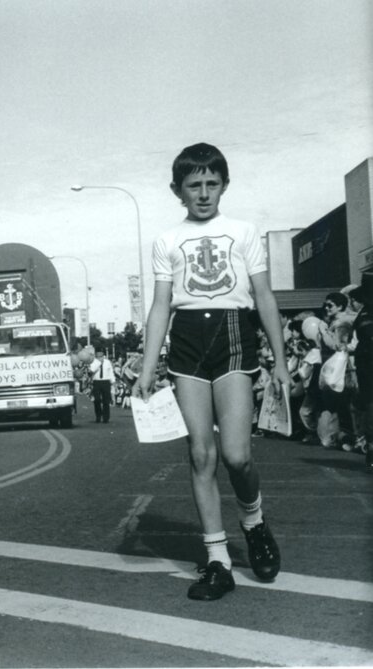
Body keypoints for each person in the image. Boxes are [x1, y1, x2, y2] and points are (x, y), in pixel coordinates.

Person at [133, 143, 289, 601]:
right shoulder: (167, 240)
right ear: (177, 191)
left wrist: (280, 362)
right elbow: (161, 305)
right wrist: (147, 368)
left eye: (211, 183)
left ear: (224, 184)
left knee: (237, 455)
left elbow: (263, 297)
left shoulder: (243, 231)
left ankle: (255, 523)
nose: (203, 193)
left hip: (234, 334)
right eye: (194, 185)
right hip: (187, 340)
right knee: (202, 454)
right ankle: (217, 559)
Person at [350, 273, 373, 473]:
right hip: (366, 364)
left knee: (370, 406)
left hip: (367, 364)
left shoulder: (365, 314)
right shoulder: (365, 313)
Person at [88, 348, 115, 423]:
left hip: (106, 382)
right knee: (97, 400)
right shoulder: (93, 362)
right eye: (98, 357)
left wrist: (113, 381)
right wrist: (98, 364)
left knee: (106, 401)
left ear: (103, 356)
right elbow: (91, 372)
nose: (100, 358)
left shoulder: (107, 362)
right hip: (97, 382)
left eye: (101, 356)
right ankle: (98, 416)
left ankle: (106, 417)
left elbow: (110, 372)